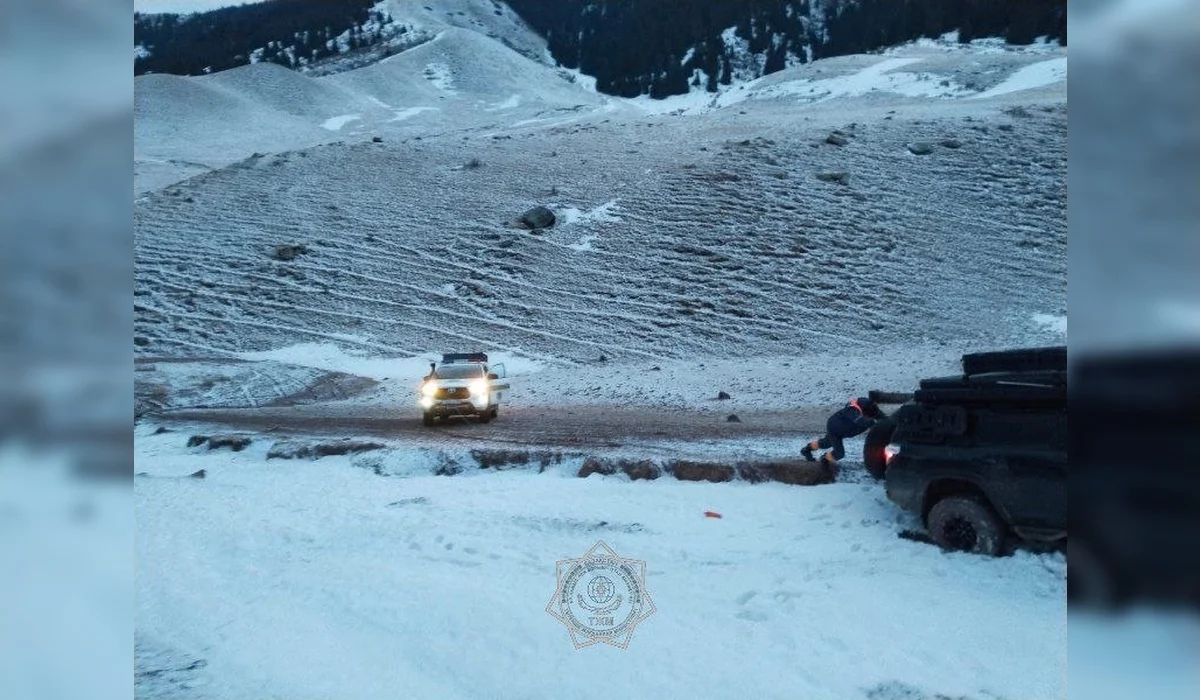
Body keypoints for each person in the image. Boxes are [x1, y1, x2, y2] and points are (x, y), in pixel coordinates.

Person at [801, 397, 886, 471]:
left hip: (844, 430)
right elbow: (861, 421)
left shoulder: (871, 408)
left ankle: (806, 450)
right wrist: (876, 426)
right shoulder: (852, 409)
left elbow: (883, 418)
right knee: (839, 453)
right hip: (834, 428)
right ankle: (823, 460)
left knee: (826, 443)